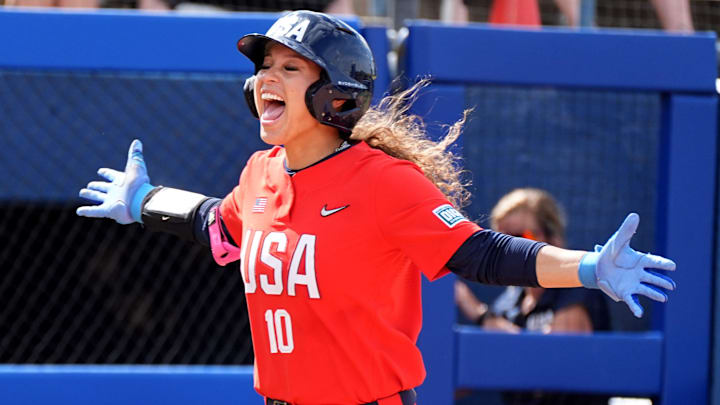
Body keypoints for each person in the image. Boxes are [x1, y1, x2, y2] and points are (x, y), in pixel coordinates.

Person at [76, 10, 676, 405]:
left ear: (333, 94)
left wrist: (589, 268)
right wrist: (142, 200)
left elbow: (480, 252)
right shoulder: (261, 172)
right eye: (263, 68)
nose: (265, 79)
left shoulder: (382, 181)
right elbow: (218, 225)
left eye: (288, 68)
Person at [455, 188, 611, 405]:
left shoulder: (578, 289)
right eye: (501, 242)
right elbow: (471, 378)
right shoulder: (507, 303)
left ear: (553, 239)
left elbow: (555, 361)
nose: (511, 250)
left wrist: (479, 313)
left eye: (521, 238)